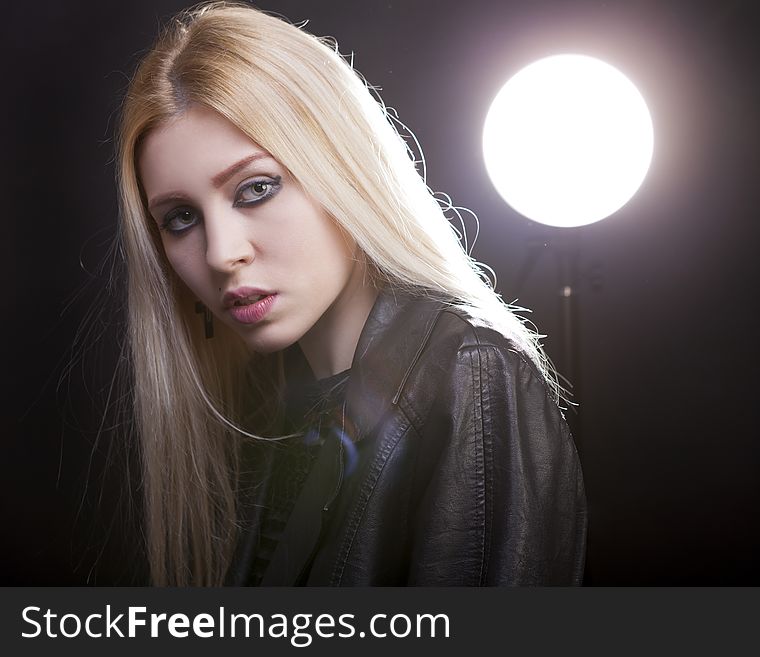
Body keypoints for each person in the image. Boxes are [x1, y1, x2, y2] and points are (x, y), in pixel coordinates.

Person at [115, 0, 587, 586]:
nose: (219, 253)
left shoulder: (471, 378)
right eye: (181, 219)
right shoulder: (260, 411)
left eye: (255, 188)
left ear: (342, 169)